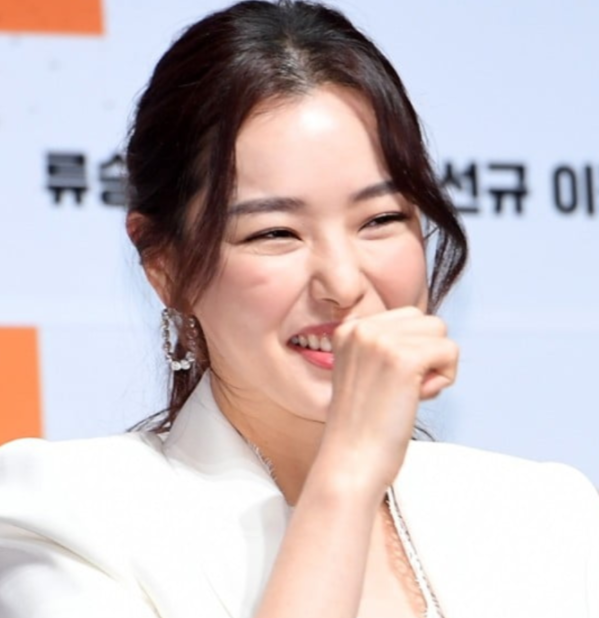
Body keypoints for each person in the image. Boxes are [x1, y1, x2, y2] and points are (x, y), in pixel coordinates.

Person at [0, 1, 597, 617]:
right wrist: (347, 476)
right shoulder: (64, 518)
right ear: (165, 266)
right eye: (275, 233)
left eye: (381, 219)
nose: (342, 281)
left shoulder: (547, 516)